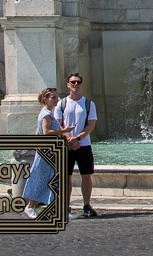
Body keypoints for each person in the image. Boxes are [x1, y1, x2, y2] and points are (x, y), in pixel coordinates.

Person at [21, 88, 73, 219]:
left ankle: (60, 211)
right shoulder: (46, 114)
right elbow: (46, 132)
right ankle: (30, 207)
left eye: (56, 97)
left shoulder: (47, 113)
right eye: (53, 98)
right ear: (45, 99)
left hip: (48, 151)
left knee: (52, 180)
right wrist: (64, 131)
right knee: (42, 179)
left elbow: (38, 133)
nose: (56, 100)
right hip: (48, 152)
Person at [55, 72, 98, 217]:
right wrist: (68, 138)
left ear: (81, 84)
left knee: (86, 175)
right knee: (66, 176)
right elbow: (58, 125)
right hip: (66, 145)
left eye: (78, 82)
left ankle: (86, 205)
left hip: (83, 145)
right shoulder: (61, 104)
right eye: (72, 82)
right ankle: (66, 207)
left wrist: (77, 139)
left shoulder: (88, 103)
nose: (75, 84)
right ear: (68, 84)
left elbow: (91, 125)